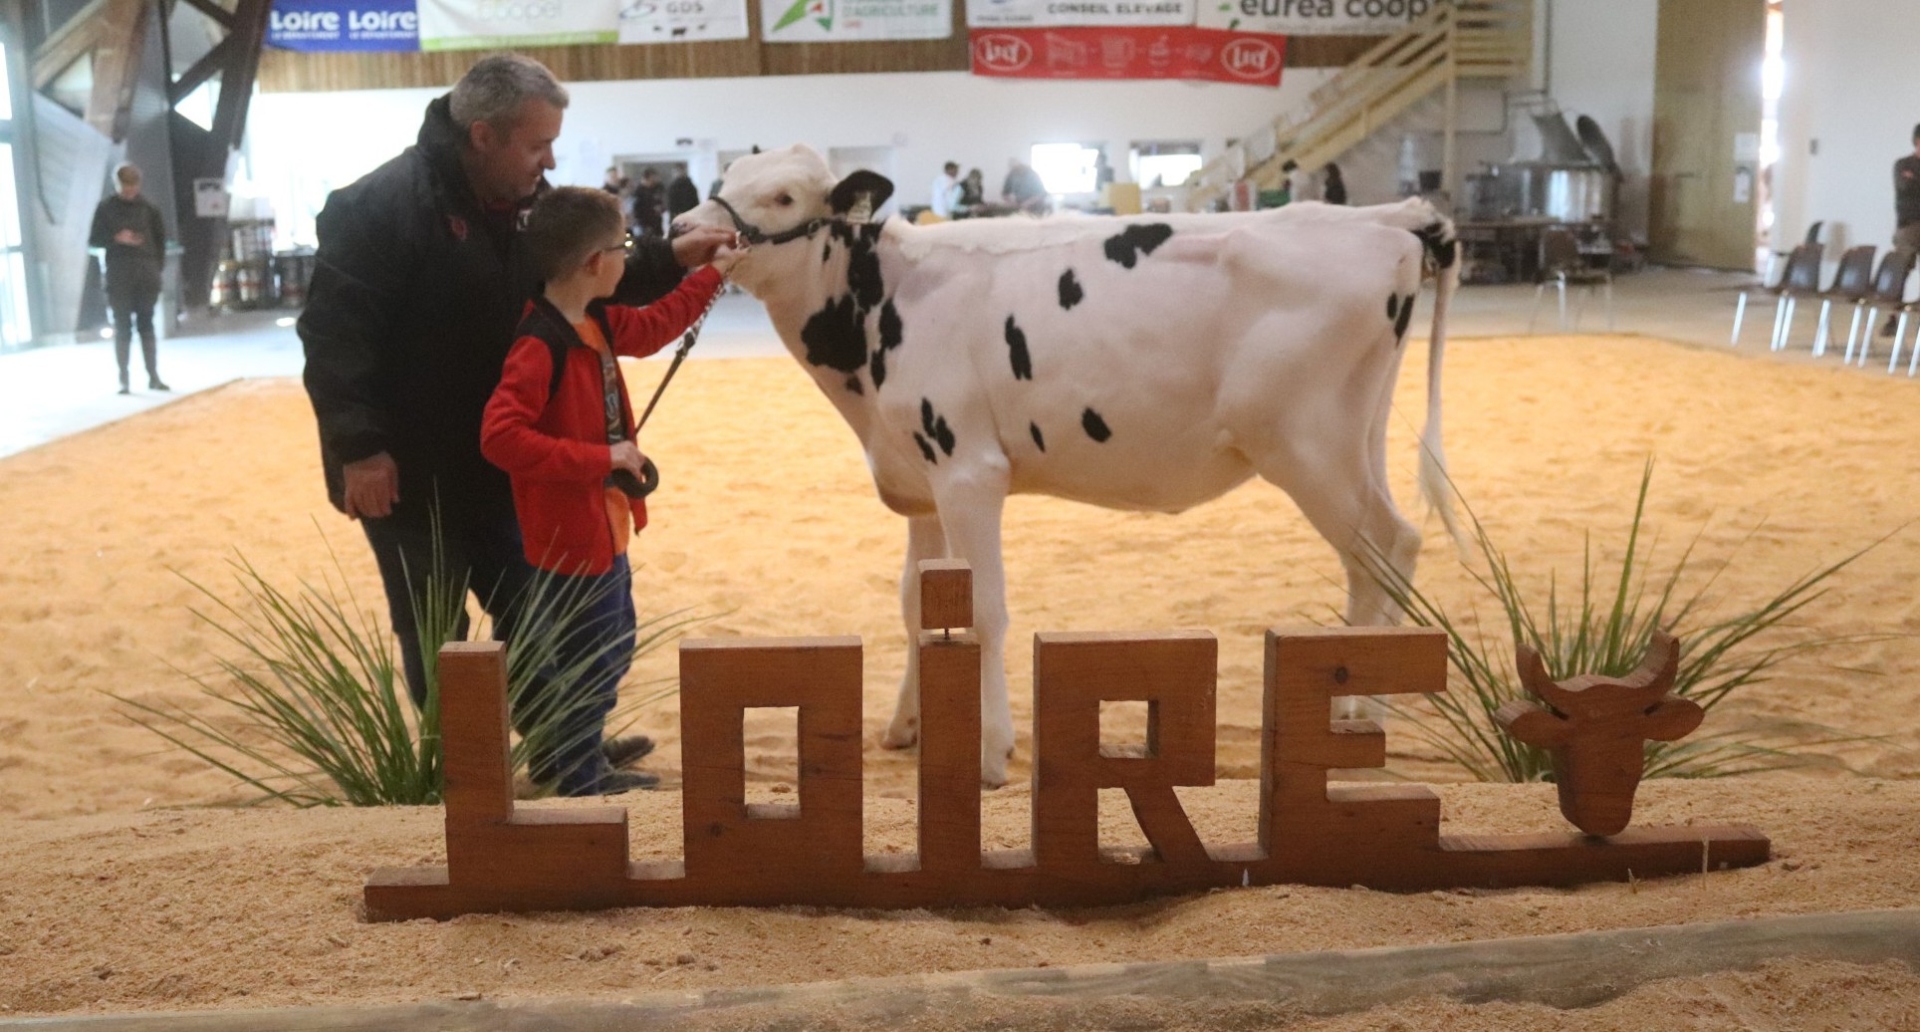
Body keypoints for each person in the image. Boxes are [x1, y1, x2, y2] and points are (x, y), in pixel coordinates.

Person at [297, 53, 733, 786]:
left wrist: (672, 257)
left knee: (536, 614)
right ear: (483, 135)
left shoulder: (528, 201)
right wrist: (360, 449)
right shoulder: (377, 205)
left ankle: (566, 748)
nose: (550, 160)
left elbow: (582, 274)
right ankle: (466, 775)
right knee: (440, 634)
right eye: (537, 145)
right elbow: (333, 338)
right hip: (409, 472)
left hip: (505, 466)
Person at [480, 187, 724, 795]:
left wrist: (713, 274)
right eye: (623, 248)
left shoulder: (597, 321)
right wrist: (601, 457)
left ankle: (580, 751)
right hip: (570, 536)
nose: (628, 258)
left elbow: (658, 324)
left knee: (613, 643)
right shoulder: (541, 343)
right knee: (587, 655)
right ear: (594, 263)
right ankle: (580, 775)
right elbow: (501, 438)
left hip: (604, 524)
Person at [88, 163, 169, 394]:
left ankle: (153, 376)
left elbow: (160, 242)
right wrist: (116, 238)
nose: (130, 192)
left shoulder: (149, 209)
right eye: (126, 187)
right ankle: (124, 380)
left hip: (146, 273)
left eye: (133, 187)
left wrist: (156, 270)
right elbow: (94, 241)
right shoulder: (105, 208)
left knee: (147, 324)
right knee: (122, 326)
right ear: (118, 185)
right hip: (118, 274)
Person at [631, 167, 666, 239]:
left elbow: (662, 202)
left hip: (657, 223)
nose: (655, 180)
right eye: (653, 178)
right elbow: (636, 211)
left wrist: (661, 208)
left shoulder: (656, 189)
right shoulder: (638, 193)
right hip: (645, 225)